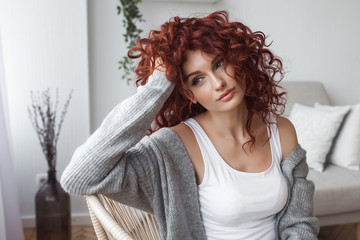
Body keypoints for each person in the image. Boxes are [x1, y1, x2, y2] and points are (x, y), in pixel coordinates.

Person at [61, 11, 319, 240]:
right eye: (198, 80)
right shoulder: (175, 145)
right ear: (189, 94)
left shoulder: (282, 131)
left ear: (237, 60)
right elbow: (78, 177)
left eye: (219, 63)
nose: (218, 83)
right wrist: (157, 86)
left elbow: (298, 222)